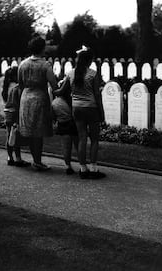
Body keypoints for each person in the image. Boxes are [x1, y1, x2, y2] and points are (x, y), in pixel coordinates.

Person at [58, 46, 106, 179]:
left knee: (82, 138)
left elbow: (61, 91)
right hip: (91, 107)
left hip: (76, 108)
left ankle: (83, 169)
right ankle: (93, 168)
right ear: (90, 61)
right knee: (95, 139)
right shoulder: (93, 74)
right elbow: (97, 94)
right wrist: (101, 112)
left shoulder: (71, 73)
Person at [18, 35, 58, 171]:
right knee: (38, 132)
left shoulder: (22, 64)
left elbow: (20, 84)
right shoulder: (45, 65)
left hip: (25, 98)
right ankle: (38, 161)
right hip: (40, 99)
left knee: (30, 130)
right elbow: (54, 85)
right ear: (42, 48)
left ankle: (35, 160)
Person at [1, 66, 30, 167]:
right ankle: (18, 158)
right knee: (15, 135)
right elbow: (17, 102)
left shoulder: (6, 86)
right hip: (15, 112)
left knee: (9, 135)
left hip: (8, 112)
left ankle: (10, 157)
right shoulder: (16, 87)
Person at [52, 80, 79, 175]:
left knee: (66, 147)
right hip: (73, 124)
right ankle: (82, 165)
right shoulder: (72, 100)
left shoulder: (55, 103)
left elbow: (53, 116)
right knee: (77, 145)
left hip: (62, 125)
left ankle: (68, 166)